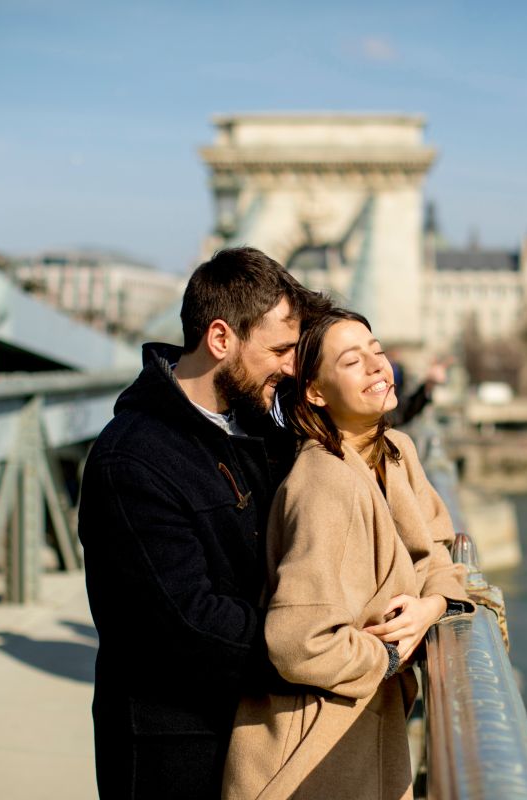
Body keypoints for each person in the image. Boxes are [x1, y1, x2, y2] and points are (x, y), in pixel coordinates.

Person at [78, 247, 326, 799]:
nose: (290, 366)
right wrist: (324, 649)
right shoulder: (132, 460)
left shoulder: (259, 434)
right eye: (280, 349)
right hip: (175, 751)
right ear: (220, 339)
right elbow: (189, 623)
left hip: (252, 733)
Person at [223, 308, 473, 800]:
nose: (378, 367)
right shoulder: (323, 483)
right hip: (307, 755)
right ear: (315, 392)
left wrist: (432, 607)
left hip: (361, 736)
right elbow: (298, 641)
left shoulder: (396, 452)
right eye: (353, 361)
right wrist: (392, 653)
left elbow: (438, 553)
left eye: (378, 353)